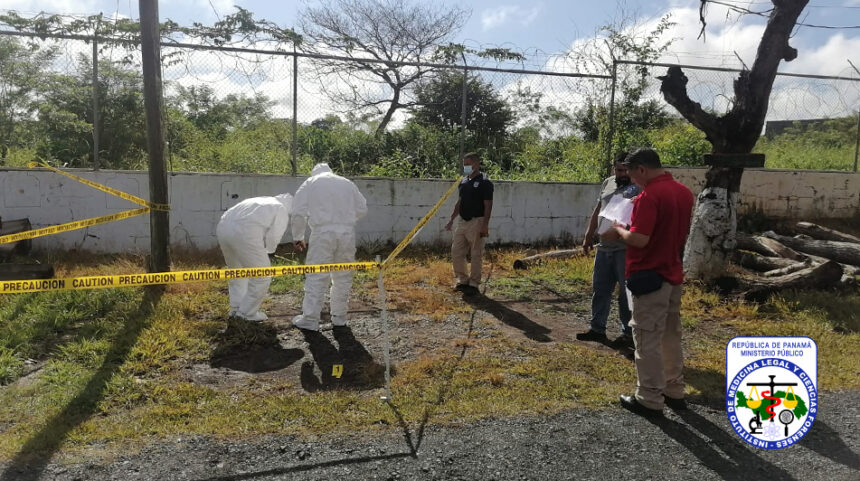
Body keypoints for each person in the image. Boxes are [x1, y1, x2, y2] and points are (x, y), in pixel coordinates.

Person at [602, 148, 694, 417]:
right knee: (670, 334)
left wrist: (619, 230)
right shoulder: (683, 192)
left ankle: (649, 397)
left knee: (646, 337)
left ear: (641, 169)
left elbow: (640, 239)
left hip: (649, 275)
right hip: (672, 272)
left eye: (632, 174)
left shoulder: (650, 196)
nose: (632, 181)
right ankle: (674, 390)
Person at [291, 163, 368, 331]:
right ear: (331, 172)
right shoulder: (347, 183)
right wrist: (345, 222)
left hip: (323, 233)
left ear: (314, 173)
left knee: (317, 275)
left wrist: (298, 237)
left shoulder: (310, 183)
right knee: (343, 276)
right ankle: (339, 317)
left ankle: (310, 320)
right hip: (347, 234)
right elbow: (362, 208)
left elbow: (298, 213)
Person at [577, 152, 641, 348]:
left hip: (625, 249)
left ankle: (628, 333)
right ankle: (597, 329)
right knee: (600, 289)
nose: (621, 173)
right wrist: (589, 235)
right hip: (604, 248)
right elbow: (598, 209)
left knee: (625, 293)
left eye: (624, 169)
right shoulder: (608, 182)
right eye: (618, 169)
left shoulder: (638, 187)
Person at [216, 193, 293, 322]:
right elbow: (275, 235)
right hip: (245, 233)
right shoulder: (281, 208)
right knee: (262, 276)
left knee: (237, 272)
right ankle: (247, 313)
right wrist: (269, 251)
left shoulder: (257, 200)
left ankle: (236, 307)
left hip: (223, 228)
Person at [445, 152, 494, 295]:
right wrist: (452, 219)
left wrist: (485, 224)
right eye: (464, 164)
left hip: (476, 221)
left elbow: (488, 205)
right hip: (462, 221)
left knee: (476, 253)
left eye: (468, 164)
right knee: (456, 251)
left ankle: (474, 283)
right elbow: (459, 202)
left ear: (476, 164)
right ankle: (462, 279)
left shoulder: (485, 182)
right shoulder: (464, 181)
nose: (465, 167)